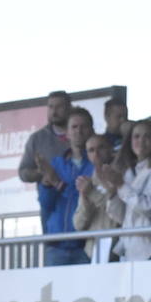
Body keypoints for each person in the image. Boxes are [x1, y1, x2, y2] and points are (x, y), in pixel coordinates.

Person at [101, 119, 151, 261]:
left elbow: (149, 208)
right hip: (131, 250)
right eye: (136, 136)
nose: (141, 141)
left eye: (147, 136)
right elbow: (121, 216)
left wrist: (121, 185)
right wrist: (113, 191)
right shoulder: (129, 172)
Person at [38, 107, 96, 267]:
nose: (79, 131)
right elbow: (45, 204)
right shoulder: (56, 164)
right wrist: (47, 184)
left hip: (87, 246)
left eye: (84, 126)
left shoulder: (97, 164)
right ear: (67, 133)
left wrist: (59, 184)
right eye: (74, 127)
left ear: (91, 130)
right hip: (57, 245)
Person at [19, 90, 72, 229]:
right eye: (51, 107)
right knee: (52, 246)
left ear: (69, 108)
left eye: (59, 107)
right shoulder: (37, 138)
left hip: (78, 201)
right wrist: (43, 173)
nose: (54, 111)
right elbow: (23, 172)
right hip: (50, 204)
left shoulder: (80, 133)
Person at [73, 133, 123, 264]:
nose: (96, 153)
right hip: (91, 251)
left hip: (116, 250)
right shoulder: (89, 182)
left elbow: (120, 215)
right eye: (91, 150)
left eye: (101, 148)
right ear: (88, 155)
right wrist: (84, 196)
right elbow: (78, 224)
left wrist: (92, 193)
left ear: (110, 150)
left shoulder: (120, 176)